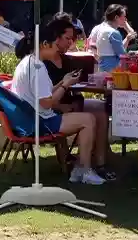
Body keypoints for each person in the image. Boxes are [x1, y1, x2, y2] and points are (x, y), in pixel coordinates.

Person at [11, 21, 105, 185]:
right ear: (44, 44)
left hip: (32, 118)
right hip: (40, 122)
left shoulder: (29, 62)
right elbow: (47, 103)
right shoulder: (37, 67)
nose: (57, 50)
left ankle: (80, 169)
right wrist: (65, 84)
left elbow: (42, 94)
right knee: (88, 120)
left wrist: (63, 81)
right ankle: (83, 170)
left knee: (85, 116)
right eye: (55, 45)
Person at [39, 14, 117, 179]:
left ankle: (100, 163)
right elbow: (41, 97)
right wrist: (60, 104)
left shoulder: (66, 60)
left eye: (72, 39)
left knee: (101, 110)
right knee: (89, 117)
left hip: (72, 102)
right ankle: (81, 163)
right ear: (55, 38)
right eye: (67, 38)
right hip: (56, 108)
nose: (71, 42)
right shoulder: (40, 64)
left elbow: (71, 85)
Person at [92, 5, 130, 72]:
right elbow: (122, 54)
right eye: (124, 16)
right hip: (113, 70)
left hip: (102, 68)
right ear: (116, 17)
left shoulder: (101, 30)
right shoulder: (114, 33)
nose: (125, 19)